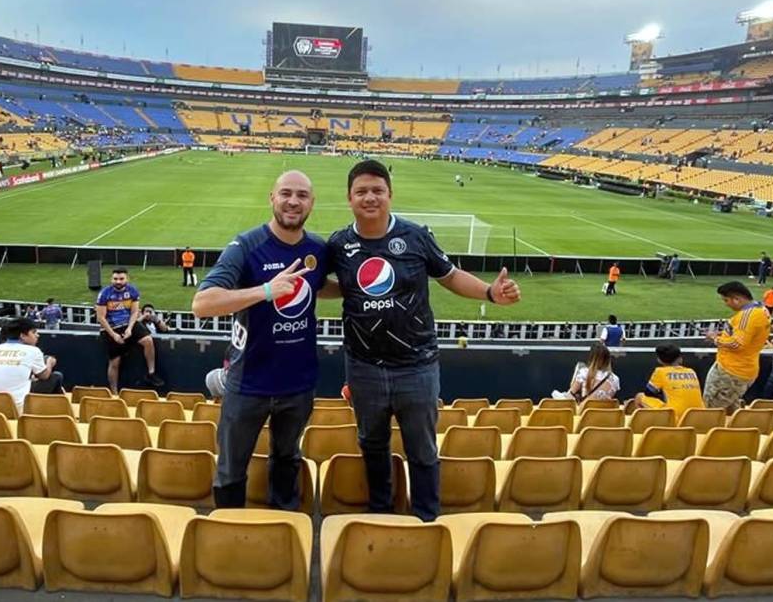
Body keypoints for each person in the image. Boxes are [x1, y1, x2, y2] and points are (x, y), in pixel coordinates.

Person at [325, 159, 520, 521]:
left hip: (417, 366)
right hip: (364, 368)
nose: (370, 197)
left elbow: (450, 276)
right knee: (371, 444)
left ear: (390, 195)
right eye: (361, 191)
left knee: (423, 449)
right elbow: (319, 285)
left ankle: (427, 518)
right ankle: (380, 512)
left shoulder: (415, 237)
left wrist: (490, 293)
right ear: (349, 198)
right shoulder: (339, 244)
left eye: (377, 191)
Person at [192, 170, 327, 510]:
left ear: (312, 203)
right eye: (285, 193)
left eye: (301, 195)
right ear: (272, 198)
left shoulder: (318, 249)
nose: (293, 201)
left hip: (297, 385)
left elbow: (320, 286)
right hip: (247, 384)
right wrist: (266, 290)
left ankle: (283, 532)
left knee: (287, 460)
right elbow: (202, 304)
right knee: (231, 470)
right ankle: (230, 534)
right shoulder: (246, 246)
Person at [704, 281, 771, 412]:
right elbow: (748, 336)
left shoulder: (747, 316)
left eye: (726, 300)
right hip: (743, 368)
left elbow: (737, 344)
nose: (726, 304)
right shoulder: (762, 309)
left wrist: (715, 339)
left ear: (737, 299)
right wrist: (723, 335)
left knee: (712, 408)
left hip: (732, 371)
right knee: (730, 407)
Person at [95, 268, 161, 392]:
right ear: (111, 279)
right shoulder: (105, 293)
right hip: (110, 327)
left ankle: (151, 373)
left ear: (127, 279)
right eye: (115, 279)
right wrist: (114, 335)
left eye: (121, 279)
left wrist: (130, 328)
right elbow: (101, 318)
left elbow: (135, 311)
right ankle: (114, 392)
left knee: (148, 340)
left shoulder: (132, 291)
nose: (118, 281)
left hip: (128, 323)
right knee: (115, 362)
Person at [0, 316, 63, 413]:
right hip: (15, 407)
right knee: (56, 377)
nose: (37, 335)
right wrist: (49, 362)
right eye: (34, 332)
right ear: (22, 335)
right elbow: (44, 375)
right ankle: (54, 412)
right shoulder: (33, 350)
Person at [634, 343, 705, 420]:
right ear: (680, 358)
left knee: (639, 397)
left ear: (659, 360)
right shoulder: (691, 371)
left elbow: (648, 393)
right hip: (699, 415)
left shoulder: (660, 371)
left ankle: (643, 426)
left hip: (675, 415)